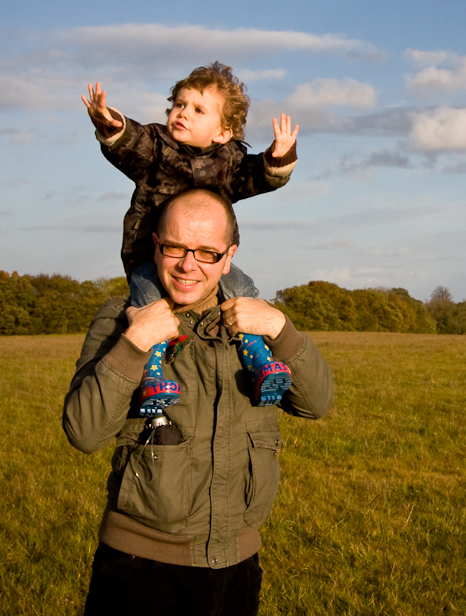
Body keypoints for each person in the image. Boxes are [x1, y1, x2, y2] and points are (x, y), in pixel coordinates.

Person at [62, 189, 334, 616]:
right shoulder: (121, 320)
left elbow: (316, 403)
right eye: (175, 248)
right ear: (156, 244)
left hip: (238, 565)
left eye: (208, 252)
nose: (189, 265)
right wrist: (135, 343)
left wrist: (282, 329)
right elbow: (83, 431)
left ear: (229, 256)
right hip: (140, 570)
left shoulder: (256, 325)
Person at [81, 62, 299, 413]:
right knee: (149, 305)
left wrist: (278, 157)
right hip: (150, 258)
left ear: (223, 132)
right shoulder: (155, 147)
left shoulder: (231, 162)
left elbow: (256, 176)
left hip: (210, 264)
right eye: (179, 105)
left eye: (198, 110)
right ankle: (151, 376)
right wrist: (110, 124)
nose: (183, 114)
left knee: (242, 288)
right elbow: (130, 143)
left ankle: (257, 359)